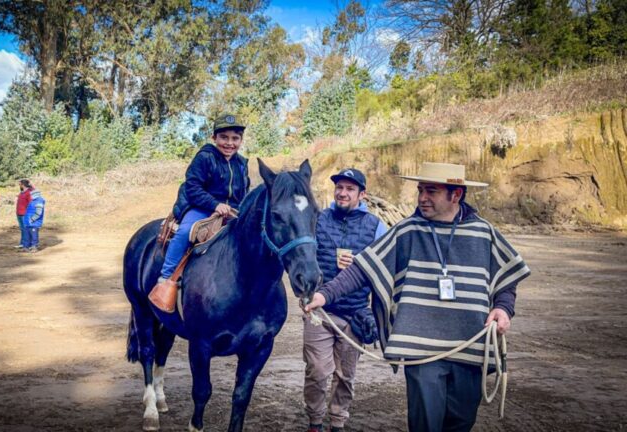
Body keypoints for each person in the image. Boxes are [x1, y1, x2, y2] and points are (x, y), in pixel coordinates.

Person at [304, 162, 531, 432]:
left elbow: (506, 277)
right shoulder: (408, 230)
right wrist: (324, 295)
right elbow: (364, 268)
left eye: (431, 191)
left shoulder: (483, 232)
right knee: (426, 424)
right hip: (421, 350)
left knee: (460, 422)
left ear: (456, 195)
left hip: (470, 346)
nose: (422, 197)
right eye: (420, 190)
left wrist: (504, 309)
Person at [304, 169, 388, 432]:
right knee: (317, 371)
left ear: (362, 194)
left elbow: (385, 269)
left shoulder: (376, 226)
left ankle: (338, 421)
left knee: (345, 375)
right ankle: (315, 421)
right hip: (320, 311)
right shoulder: (317, 220)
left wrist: (361, 267)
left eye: (350, 189)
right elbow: (303, 257)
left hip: (355, 313)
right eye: (339, 187)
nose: (342, 192)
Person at [149, 113, 251, 313]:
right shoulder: (205, 157)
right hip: (201, 207)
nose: (229, 143)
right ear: (214, 138)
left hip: (231, 212)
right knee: (185, 231)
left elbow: (244, 192)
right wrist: (214, 204)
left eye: (235, 138)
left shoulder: (241, 164)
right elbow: (193, 188)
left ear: (241, 141)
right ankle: (166, 278)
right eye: (224, 138)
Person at [22, 188, 45, 253]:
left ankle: (34, 247)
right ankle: (26, 247)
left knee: (34, 236)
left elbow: (38, 212)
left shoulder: (39, 201)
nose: (31, 196)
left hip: (34, 223)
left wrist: (32, 219)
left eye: (31, 194)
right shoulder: (33, 201)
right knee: (27, 235)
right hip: (28, 222)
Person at [15, 179, 33, 248]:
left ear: (23, 185)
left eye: (20, 184)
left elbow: (30, 204)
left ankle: (27, 244)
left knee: (25, 229)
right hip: (19, 213)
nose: (19, 186)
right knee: (22, 229)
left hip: (24, 214)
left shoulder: (29, 192)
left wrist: (28, 214)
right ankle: (22, 243)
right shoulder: (22, 192)